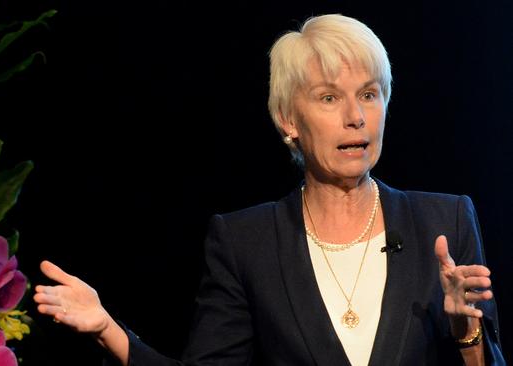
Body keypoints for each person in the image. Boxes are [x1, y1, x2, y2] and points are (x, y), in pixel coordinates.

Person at [33, 14, 506, 365]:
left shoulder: (445, 223)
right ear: (288, 120)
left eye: (368, 94)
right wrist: (108, 330)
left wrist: (466, 333)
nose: (355, 117)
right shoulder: (246, 242)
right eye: (328, 97)